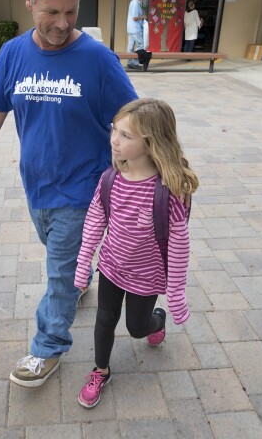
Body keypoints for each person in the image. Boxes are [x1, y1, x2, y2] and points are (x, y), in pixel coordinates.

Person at [0, 0, 138, 388]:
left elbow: (134, 116)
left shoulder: (97, 60)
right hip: (37, 189)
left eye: (71, 13)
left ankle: (47, 347)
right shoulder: (13, 54)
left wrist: (154, 172)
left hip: (82, 192)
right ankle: (80, 278)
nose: (61, 24)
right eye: (51, 11)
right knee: (62, 257)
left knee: (58, 274)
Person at [74, 98, 199, 409]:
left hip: (147, 275)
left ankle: (157, 321)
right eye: (115, 130)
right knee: (104, 319)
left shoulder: (166, 192)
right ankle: (100, 370)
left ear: (151, 143)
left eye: (126, 136)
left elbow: (180, 246)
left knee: (136, 328)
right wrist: (82, 264)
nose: (114, 139)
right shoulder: (109, 180)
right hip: (112, 268)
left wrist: (176, 294)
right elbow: (94, 221)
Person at [126, 0, 146, 70]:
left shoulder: (133, 2)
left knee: (130, 46)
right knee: (140, 44)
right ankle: (135, 62)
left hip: (131, 28)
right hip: (135, 28)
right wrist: (143, 16)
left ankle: (129, 62)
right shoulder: (135, 3)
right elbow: (134, 17)